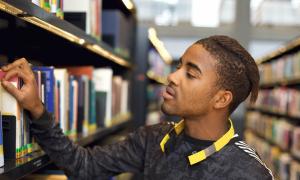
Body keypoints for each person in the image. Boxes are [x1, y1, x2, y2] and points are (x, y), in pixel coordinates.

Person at [1, 35, 273, 180]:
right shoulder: (154, 139)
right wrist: (37, 108)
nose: (172, 77)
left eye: (191, 74)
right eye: (178, 67)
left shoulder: (249, 172)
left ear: (221, 99)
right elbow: (83, 167)